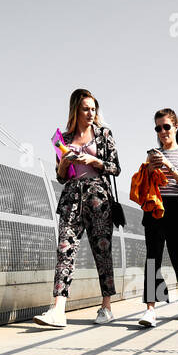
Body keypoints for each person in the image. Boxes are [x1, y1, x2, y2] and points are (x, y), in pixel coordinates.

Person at [34, 89, 120, 328]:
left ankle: (106, 307)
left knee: (102, 252)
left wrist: (93, 161)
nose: (91, 113)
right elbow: (60, 177)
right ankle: (58, 308)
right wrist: (65, 162)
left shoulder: (103, 134)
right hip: (71, 197)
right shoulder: (64, 138)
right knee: (64, 250)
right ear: (75, 110)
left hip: (98, 198)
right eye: (86, 109)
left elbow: (115, 167)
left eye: (93, 108)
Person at [138, 107, 178, 327]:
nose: (162, 131)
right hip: (155, 206)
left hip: (176, 207)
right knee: (152, 258)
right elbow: (145, 183)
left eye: (166, 126)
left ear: (175, 127)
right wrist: (149, 168)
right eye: (158, 128)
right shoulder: (152, 152)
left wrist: (168, 165)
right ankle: (151, 310)